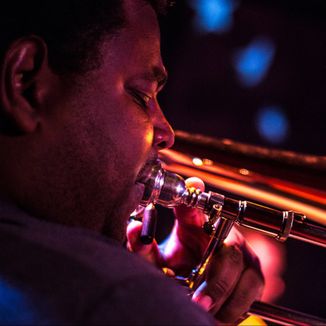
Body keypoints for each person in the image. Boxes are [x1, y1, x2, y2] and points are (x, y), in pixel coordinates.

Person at [0, 0, 264, 324]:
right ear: (27, 83)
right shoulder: (121, 297)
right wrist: (157, 305)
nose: (166, 135)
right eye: (141, 95)